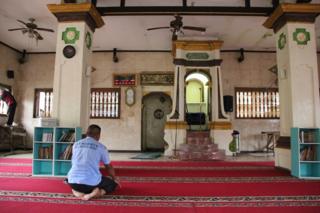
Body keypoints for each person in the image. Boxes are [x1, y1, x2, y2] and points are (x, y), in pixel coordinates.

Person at [66, 124, 120, 200]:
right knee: (112, 184)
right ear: (98, 135)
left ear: (87, 133)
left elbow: (73, 162)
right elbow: (108, 166)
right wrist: (114, 178)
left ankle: (78, 193)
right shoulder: (101, 147)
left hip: (72, 180)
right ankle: (94, 194)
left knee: (73, 184)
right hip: (91, 183)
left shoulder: (76, 144)